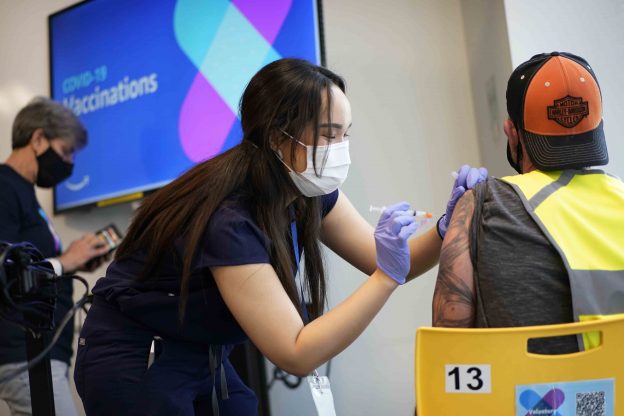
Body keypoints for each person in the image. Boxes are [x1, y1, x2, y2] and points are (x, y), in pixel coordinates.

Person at [74, 58, 486, 416]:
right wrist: (385, 279)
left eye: (345, 134)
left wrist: (447, 227)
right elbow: (296, 352)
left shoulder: (308, 190)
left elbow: (393, 260)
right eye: (328, 134)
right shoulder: (230, 218)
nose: (341, 148)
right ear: (277, 138)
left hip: (201, 350)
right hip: (137, 353)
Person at [432, 52, 624, 353]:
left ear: (512, 132)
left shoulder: (480, 203)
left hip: (524, 384)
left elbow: (450, 344)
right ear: (599, 127)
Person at [0, 97, 111, 415]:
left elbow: (30, 263)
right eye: (64, 152)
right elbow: (6, 270)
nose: (68, 164)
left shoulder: (25, 193)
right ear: (37, 139)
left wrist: (73, 261)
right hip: (24, 352)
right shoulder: (4, 187)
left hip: (42, 352)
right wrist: (67, 261)